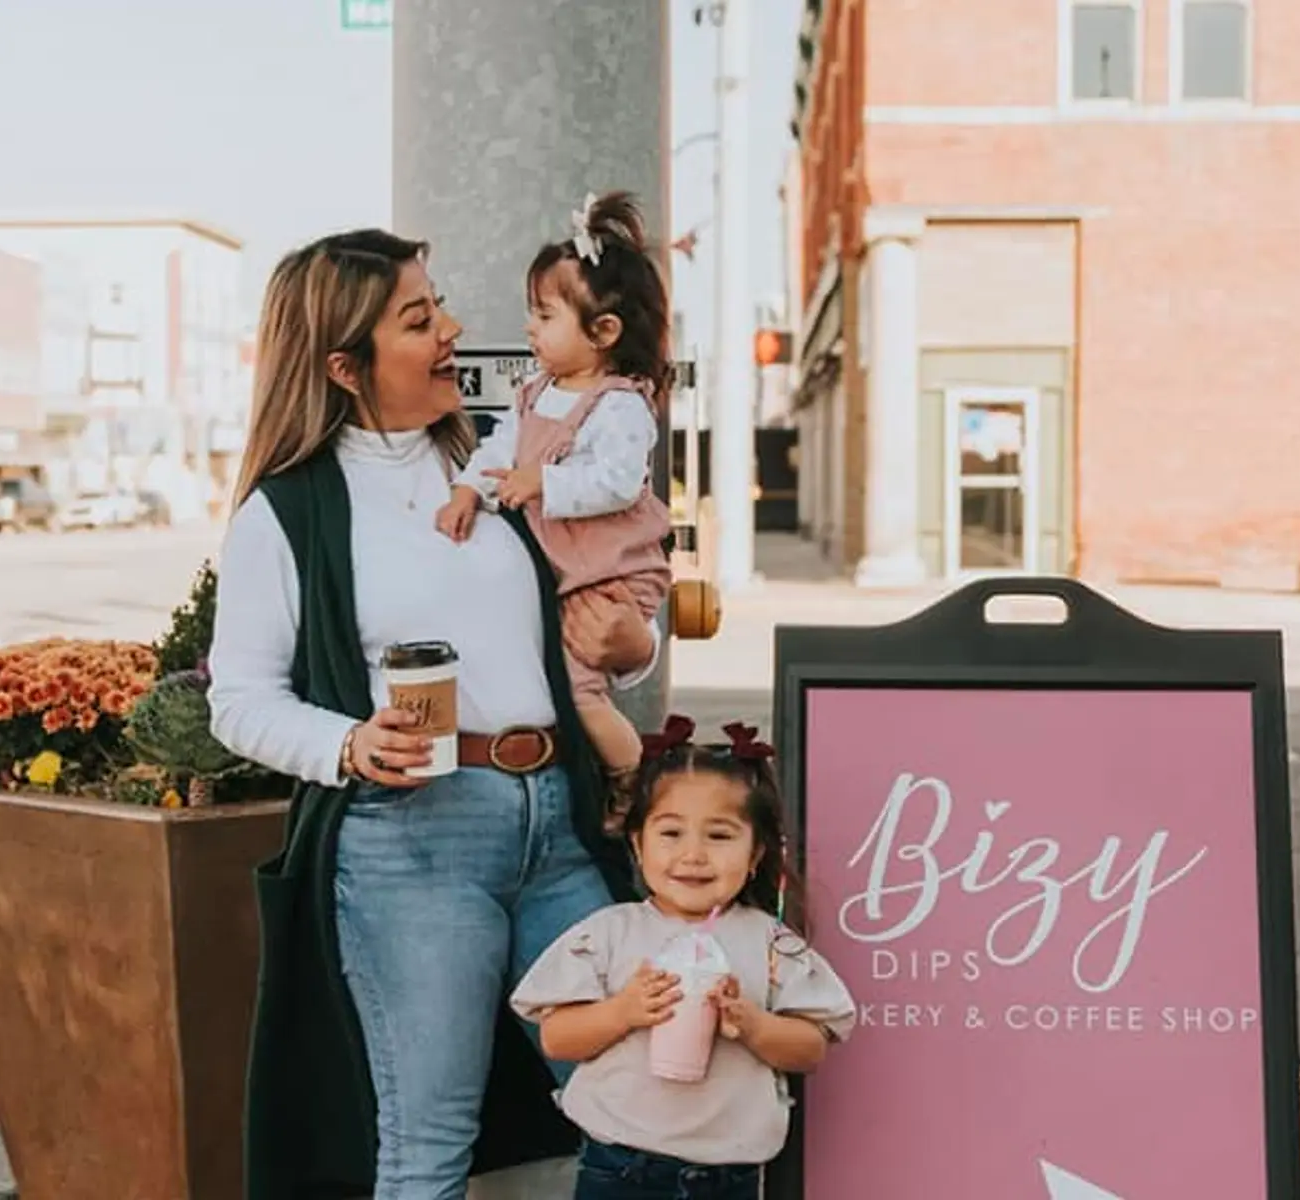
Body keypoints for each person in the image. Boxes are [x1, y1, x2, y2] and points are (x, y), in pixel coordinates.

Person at [207, 228, 664, 1200]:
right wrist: (349, 742)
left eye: (439, 305)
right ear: (344, 363)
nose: (453, 329)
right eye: (420, 319)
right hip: (416, 843)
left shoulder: (505, 468)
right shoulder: (291, 512)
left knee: (641, 1104)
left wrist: (633, 650)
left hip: (558, 822)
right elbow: (239, 701)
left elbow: (593, 621)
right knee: (428, 1147)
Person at [510, 716, 857, 1200]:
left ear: (755, 852)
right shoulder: (609, 932)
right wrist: (622, 1012)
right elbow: (557, 1036)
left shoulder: (772, 943)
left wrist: (753, 1025)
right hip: (619, 1167)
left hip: (727, 1176)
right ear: (637, 842)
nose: (693, 855)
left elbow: (811, 1047)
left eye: (719, 836)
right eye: (671, 834)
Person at [435, 191, 672, 825]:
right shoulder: (536, 392)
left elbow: (620, 484)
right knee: (554, 681)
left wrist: (544, 482)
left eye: (544, 315)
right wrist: (469, 489)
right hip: (572, 574)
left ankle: (634, 783)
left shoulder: (620, 404)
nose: (530, 328)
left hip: (613, 572)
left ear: (604, 332)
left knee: (580, 688)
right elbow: (499, 450)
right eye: (531, 314)